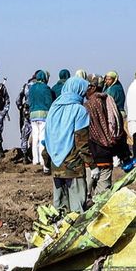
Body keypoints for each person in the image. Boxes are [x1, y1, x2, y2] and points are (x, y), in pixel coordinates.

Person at [44, 76, 90, 212]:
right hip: (73, 165)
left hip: (56, 163)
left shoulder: (54, 108)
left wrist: (46, 161)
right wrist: (92, 165)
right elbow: (81, 141)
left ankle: (59, 231)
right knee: (77, 209)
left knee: (60, 208)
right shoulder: (79, 110)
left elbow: (46, 137)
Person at [85, 78, 122, 192]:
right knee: (102, 196)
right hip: (106, 154)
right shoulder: (110, 101)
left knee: (84, 195)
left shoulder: (88, 105)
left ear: (94, 88)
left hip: (91, 155)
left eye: (88, 87)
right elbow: (117, 127)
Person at [27, 70, 55, 173]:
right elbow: (49, 102)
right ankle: (44, 160)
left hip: (33, 115)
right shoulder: (46, 88)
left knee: (35, 137)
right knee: (42, 137)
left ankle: (35, 159)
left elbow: (29, 101)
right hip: (44, 115)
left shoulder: (31, 87)